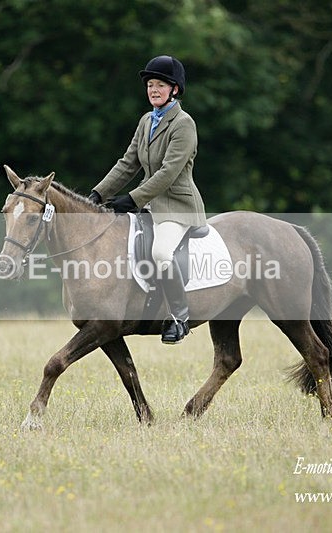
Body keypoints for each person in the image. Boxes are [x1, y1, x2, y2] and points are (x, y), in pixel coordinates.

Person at [89, 55, 206, 344]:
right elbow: (128, 163)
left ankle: (179, 317)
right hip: (149, 205)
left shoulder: (184, 124)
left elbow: (168, 172)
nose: (153, 90)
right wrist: (97, 194)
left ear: (175, 89)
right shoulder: (146, 121)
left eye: (160, 85)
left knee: (161, 253)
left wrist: (132, 198)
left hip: (177, 207)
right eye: (150, 85)